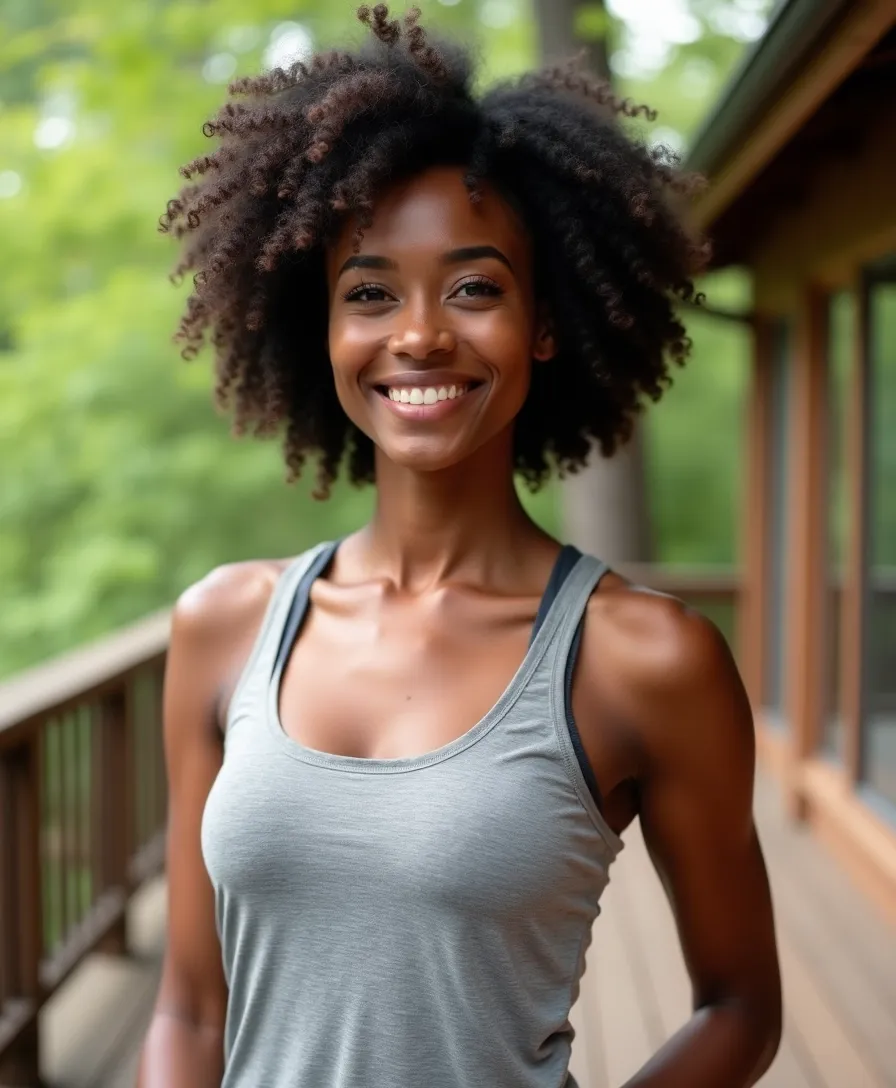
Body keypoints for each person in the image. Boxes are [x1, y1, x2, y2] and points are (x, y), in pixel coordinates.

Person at [137, 6, 781, 1087]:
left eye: (474, 287)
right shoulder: (224, 624)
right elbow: (192, 1011)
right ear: (325, 330)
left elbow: (739, 1005)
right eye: (369, 292)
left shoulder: (643, 659)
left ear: (543, 321)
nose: (419, 332)